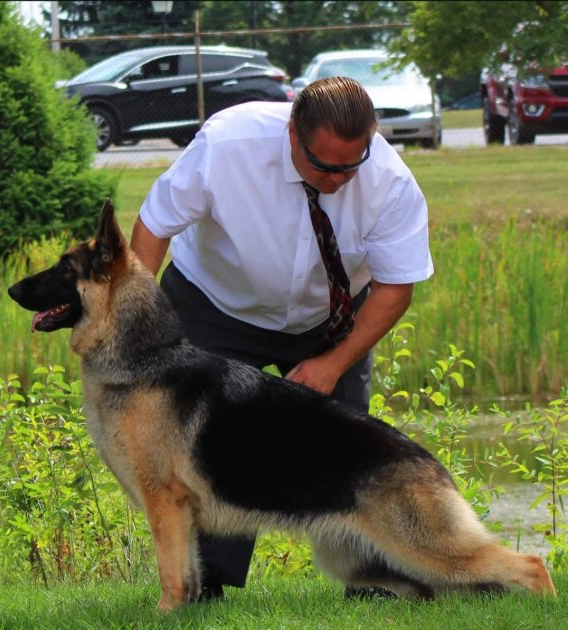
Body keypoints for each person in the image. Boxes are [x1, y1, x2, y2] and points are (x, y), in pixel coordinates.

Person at [130, 76, 434, 601]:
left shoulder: (391, 182)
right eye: (325, 166)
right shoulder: (228, 144)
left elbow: (394, 289)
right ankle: (206, 585)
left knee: (349, 446)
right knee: (207, 443)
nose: (339, 179)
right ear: (293, 134)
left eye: (351, 165)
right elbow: (154, 225)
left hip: (330, 320)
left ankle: (376, 582)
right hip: (215, 305)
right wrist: (138, 319)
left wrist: (334, 363)